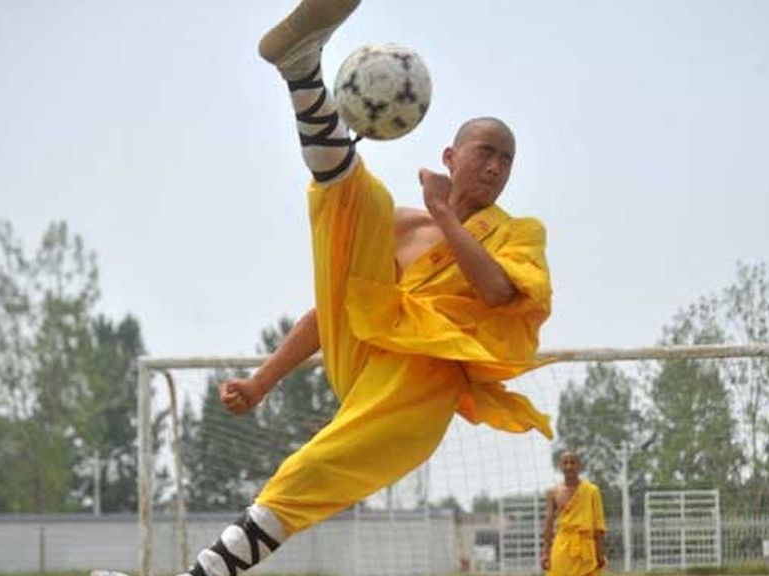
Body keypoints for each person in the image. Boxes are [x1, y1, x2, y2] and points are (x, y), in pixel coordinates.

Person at [182, 2, 554, 576]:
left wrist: (445, 215)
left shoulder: (516, 233)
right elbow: (335, 302)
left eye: (507, 160)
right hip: (364, 353)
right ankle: (300, 70)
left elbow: (501, 293)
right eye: (486, 152)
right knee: (364, 199)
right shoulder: (404, 223)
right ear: (452, 156)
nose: (496, 167)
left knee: (313, 471)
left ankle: (201, 574)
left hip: (425, 378)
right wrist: (262, 380)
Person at [541, 451, 607, 576]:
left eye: (573, 462)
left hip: (586, 548)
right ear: (560, 466)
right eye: (565, 463)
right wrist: (545, 553)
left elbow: (599, 524)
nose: (569, 466)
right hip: (562, 547)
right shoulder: (553, 492)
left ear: (579, 466)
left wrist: (599, 552)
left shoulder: (592, 490)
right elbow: (548, 524)